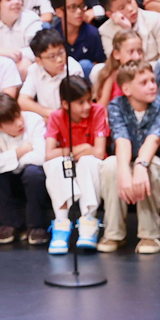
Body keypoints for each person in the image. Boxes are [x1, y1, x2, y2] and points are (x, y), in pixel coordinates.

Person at [99, 62, 160, 254]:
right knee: (110, 166)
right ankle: (113, 232)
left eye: (153, 81)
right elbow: (121, 138)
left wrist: (140, 165)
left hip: (152, 159)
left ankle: (151, 234)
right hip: (126, 156)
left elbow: (154, 139)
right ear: (126, 89)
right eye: (144, 82)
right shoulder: (116, 105)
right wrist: (125, 170)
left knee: (149, 168)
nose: (152, 86)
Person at [43, 73, 110, 254]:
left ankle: (89, 221)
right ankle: (61, 223)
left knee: (88, 161)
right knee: (56, 163)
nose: (87, 106)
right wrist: (79, 148)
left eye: (89, 100)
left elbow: (99, 152)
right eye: (80, 103)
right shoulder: (56, 117)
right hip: (68, 165)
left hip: (90, 166)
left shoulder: (98, 111)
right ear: (65, 104)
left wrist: (75, 151)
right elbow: (49, 154)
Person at [0, 90, 50, 243]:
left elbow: (40, 156)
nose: (19, 123)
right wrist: (20, 152)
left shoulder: (34, 120)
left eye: (18, 115)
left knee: (33, 173)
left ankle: (36, 226)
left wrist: (9, 161)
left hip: (33, 179)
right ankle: (11, 223)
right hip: (10, 180)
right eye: (11, 122)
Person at [100, 0, 160, 64]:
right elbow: (115, 64)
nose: (130, 9)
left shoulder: (155, 19)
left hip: (156, 70)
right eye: (122, 8)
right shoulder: (105, 31)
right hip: (125, 74)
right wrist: (127, 31)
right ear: (110, 14)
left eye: (130, 1)